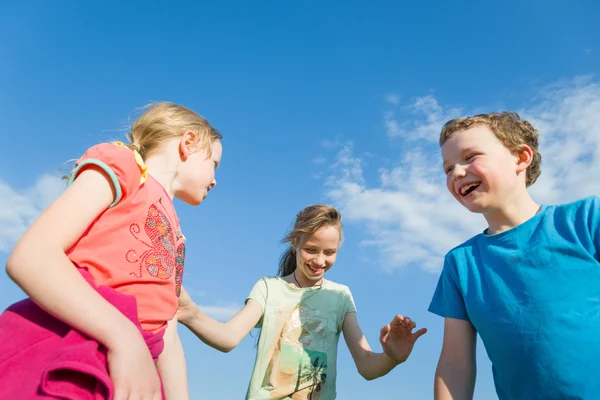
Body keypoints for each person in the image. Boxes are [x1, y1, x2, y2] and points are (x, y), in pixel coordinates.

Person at [0, 102, 223, 400]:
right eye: (215, 164)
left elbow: (164, 324)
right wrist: (125, 339)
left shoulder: (177, 236)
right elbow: (33, 257)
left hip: (133, 368)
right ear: (188, 142)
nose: (215, 179)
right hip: (71, 349)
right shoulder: (123, 165)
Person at [429, 111, 600, 399]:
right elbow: (455, 364)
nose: (456, 173)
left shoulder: (585, 219)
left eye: (470, 157)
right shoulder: (460, 263)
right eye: (447, 168)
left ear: (521, 158)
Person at [177, 204, 427, 399]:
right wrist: (190, 313)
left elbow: (366, 367)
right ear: (295, 242)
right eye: (311, 249)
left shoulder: (341, 296)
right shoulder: (269, 288)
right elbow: (228, 338)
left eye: (329, 253)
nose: (320, 260)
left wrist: (392, 357)